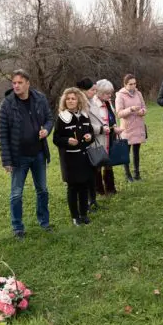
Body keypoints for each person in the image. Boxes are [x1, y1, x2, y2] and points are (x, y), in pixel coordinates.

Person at [0, 69, 54, 239]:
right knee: (16, 194)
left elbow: (50, 119)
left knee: (42, 190)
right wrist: (6, 160)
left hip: (38, 153)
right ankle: (17, 228)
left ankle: (44, 222)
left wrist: (46, 130)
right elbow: (2, 134)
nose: (16, 86)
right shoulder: (7, 104)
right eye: (14, 83)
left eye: (20, 83)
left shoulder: (40, 99)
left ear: (28, 83)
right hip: (18, 156)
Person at [53, 88, 95, 226]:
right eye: (68, 99)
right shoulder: (62, 118)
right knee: (73, 188)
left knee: (84, 186)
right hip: (70, 159)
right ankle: (75, 217)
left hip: (84, 157)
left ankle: (84, 214)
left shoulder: (84, 116)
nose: (70, 101)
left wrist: (89, 136)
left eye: (73, 98)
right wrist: (67, 141)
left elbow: (91, 134)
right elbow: (56, 139)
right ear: (64, 101)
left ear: (79, 101)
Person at [89, 79, 123, 194]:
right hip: (98, 139)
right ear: (99, 92)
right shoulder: (92, 104)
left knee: (109, 163)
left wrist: (115, 127)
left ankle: (111, 188)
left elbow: (112, 118)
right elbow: (90, 124)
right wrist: (102, 129)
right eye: (107, 93)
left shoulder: (108, 103)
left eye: (110, 93)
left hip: (110, 137)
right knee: (98, 163)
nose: (109, 95)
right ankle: (99, 189)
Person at [116, 74, 148, 182]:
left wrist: (142, 111)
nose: (133, 86)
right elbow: (119, 113)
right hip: (127, 128)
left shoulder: (138, 93)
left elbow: (144, 107)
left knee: (136, 152)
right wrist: (131, 109)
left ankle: (137, 173)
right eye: (130, 84)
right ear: (125, 84)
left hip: (138, 126)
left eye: (134, 84)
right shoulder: (120, 95)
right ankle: (128, 175)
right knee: (126, 152)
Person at [77, 77, 101, 211]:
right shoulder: (80, 104)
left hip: (92, 139)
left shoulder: (92, 101)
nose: (94, 93)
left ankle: (93, 199)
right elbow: (86, 124)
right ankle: (85, 202)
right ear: (84, 91)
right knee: (85, 174)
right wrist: (100, 129)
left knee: (93, 172)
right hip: (84, 141)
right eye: (92, 90)